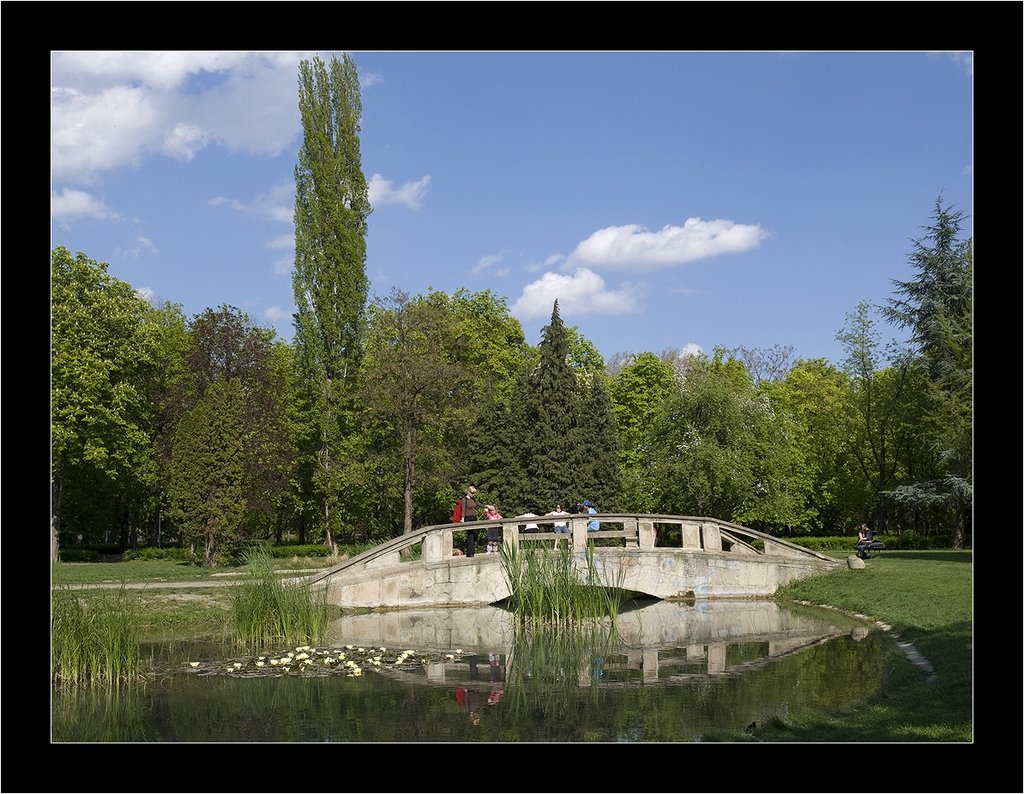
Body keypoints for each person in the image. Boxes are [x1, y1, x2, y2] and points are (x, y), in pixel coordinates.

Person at [460, 486, 481, 557]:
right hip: (468, 518)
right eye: (472, 493)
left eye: (474, 493)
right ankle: (470, 552)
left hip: (474, 517)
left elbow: (479, 504)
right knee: (470, 535)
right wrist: (462, 518)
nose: (473, 494)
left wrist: (487, 506)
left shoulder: (473, 499)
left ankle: (471, 552)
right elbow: (463, 510)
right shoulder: (464, 499)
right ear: (468, 492)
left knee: (473, 535)